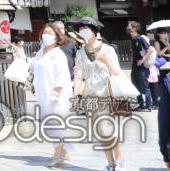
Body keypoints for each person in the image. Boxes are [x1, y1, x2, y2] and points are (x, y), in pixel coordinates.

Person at [72, 17, 125, 171]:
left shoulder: (108, 50)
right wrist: (76, 96)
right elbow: (78, 76)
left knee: (108, 128)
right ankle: (110, 163)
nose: (83, 31)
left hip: (106, 93)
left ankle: (120, 161)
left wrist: (107, 61)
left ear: (95, 31)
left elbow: (117, 73)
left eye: (86, 28)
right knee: (100, 131)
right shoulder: (81, 52)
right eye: (81, 28)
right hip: (90, 94)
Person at [31, 22, 74, 168]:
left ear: (57, 36)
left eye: (50, 33)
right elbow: (33, 65)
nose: (46, 35)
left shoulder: (58, 53)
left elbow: (62, 74)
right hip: (43, 92)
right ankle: (64, 150)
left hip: (57, 94)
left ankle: (58, 154)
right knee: (50, 123)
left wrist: (56, 91)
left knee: (56, 124)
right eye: (45, 32)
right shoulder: (41, 51)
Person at [128, 21, 154, 111]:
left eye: (129, 26)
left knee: (144, 86)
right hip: (135, 67)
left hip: (142, 68)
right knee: (135, 86)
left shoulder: (140, 38)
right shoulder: (133, 39)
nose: (128, 28)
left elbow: (150, 50)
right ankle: (141, 105)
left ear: (134, 28)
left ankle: (148, 106)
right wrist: (132, 62)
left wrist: (143, 60)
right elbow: (133, 52)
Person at [154, 28, 170, 168]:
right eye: (162, 32)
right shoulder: (157, 43)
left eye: (165, 32)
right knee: (165, 117)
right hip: (165, 71)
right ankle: (167, 156)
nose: (164, 34)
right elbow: (159, 55)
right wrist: (166, 48)